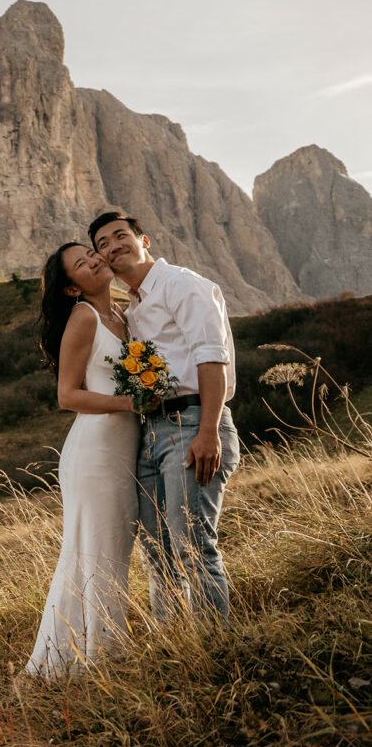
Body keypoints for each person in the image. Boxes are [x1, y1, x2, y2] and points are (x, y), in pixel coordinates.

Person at [89, 211, 240, 624]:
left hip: (194, 424)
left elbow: (211, 356)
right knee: (158, 553)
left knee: (192, 544)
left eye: (121, 236)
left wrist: (207, 430)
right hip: (153, 435)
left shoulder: (181, 284)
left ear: (145, 241)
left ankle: (214, 651)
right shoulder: (133, 309)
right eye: (102, 243)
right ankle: (174, 648)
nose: (113, 245)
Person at [25, 242, 140, 678]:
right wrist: (131, 403)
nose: (94, 259)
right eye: (82, 263)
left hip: (122, 448)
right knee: (97, 554)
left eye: (91, 253)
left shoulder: (123, 315)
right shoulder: (84, 317)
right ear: (72, 288)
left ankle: (90, 651)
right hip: (96, 453)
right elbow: (66, 395)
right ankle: (98, 660)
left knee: (109, 552)